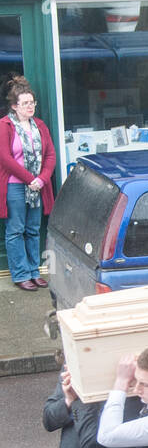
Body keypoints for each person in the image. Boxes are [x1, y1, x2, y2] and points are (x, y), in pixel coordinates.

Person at [0, 76, 56, 291]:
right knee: (15, 230)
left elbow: (50, 154)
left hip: (37, 186)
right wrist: (29, 178)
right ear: (14, 106)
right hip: (15, 186)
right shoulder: (4, 126)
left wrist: (41, 179)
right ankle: (21, 274)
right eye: (25, 103)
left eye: (32, 102)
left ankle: (34, 271)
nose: (30, 106)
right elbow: (4, 158)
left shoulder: (39, 125)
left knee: (33, 229)